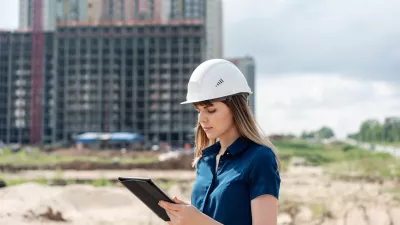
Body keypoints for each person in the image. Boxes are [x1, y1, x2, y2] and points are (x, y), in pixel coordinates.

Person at [158, 59, 281, 225]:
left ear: (238, 109)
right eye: (199, 110)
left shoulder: (260, 159)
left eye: (210, 110)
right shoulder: (205, 161)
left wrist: (198, 221)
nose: (202, 119)